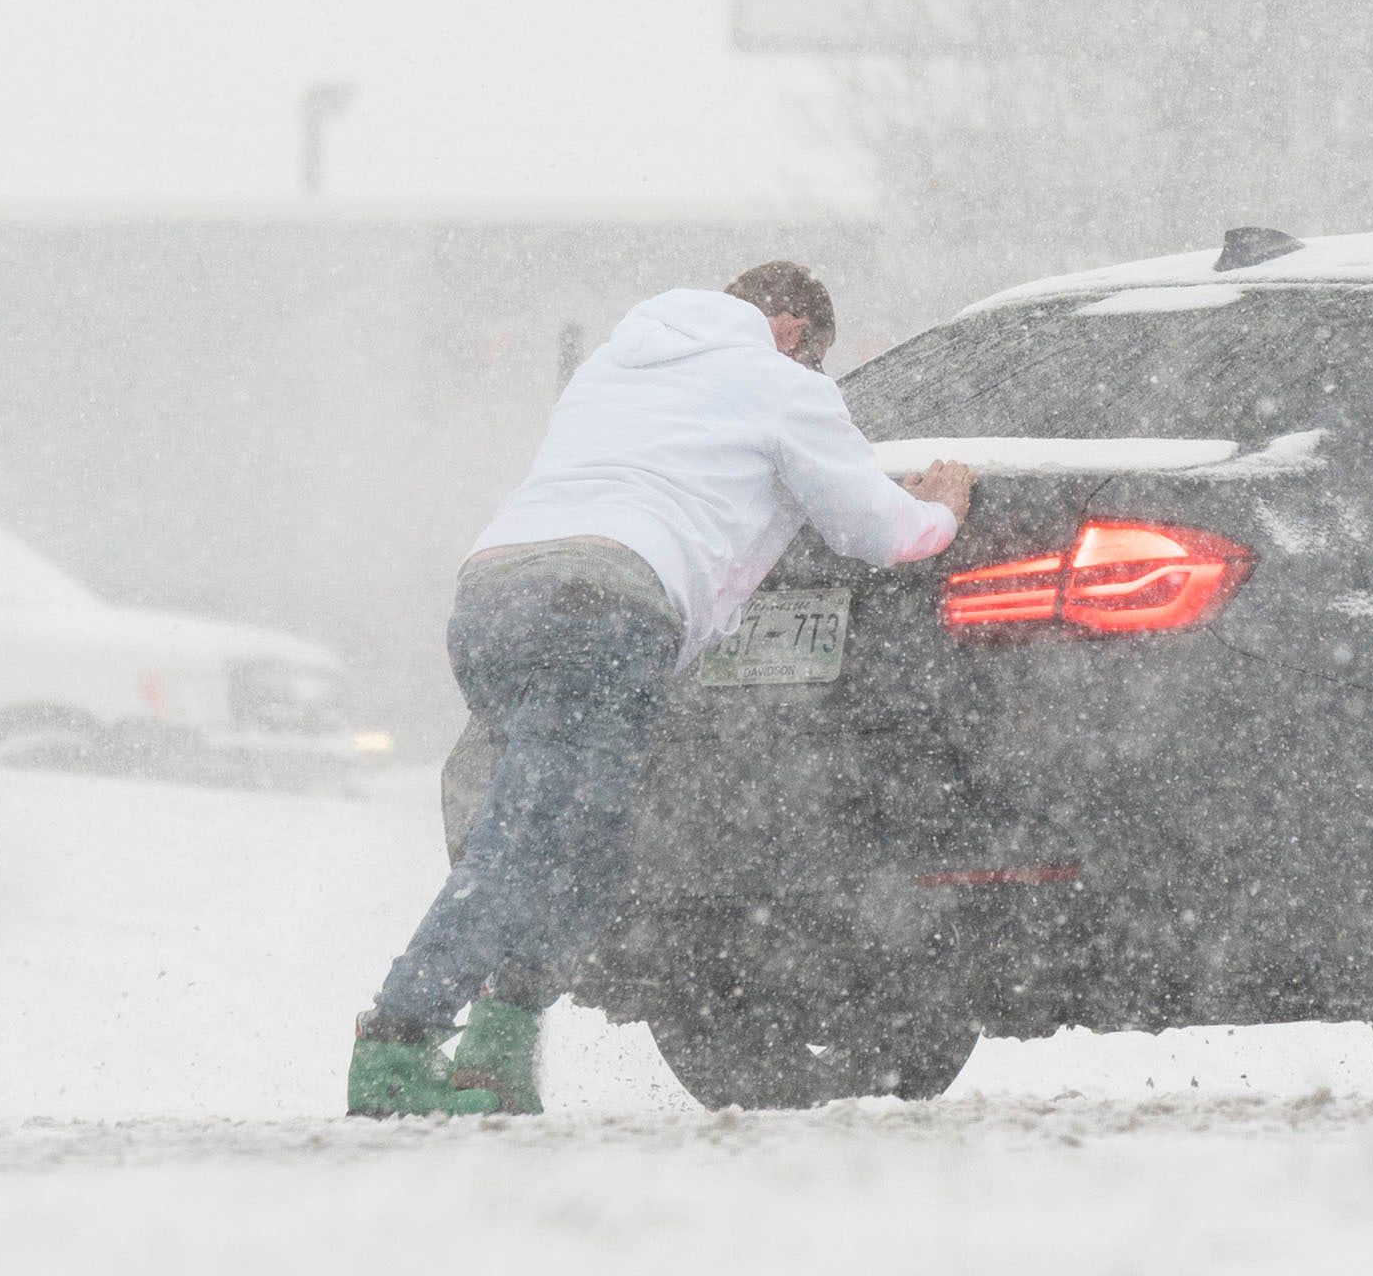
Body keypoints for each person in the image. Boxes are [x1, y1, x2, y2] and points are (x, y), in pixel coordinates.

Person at [348, 260, 972, 1117]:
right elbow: (872, 525)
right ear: (790, 329)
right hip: (604, 607)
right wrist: (939, 512)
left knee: (590, 855)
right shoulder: (776, 381)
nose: (816, 376)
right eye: (816, 358)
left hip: (493, 597)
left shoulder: (614, 364)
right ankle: (397, 1042)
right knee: (528, 845)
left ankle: (497, 1055)